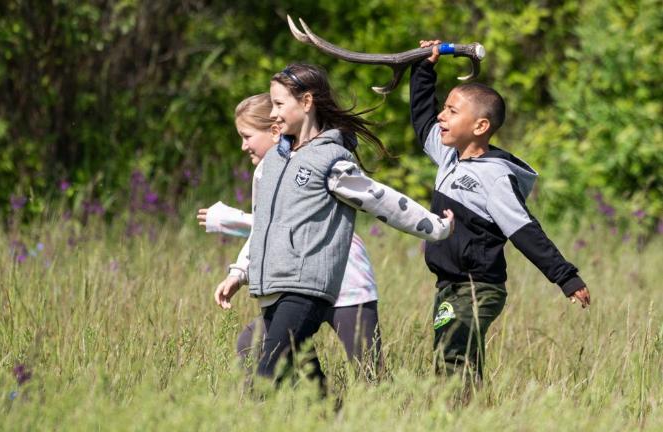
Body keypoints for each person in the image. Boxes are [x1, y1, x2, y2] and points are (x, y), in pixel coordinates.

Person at [213, 63, 454, 388]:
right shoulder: (272, 164)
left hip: (321, 288)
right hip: (278, 289)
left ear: (307, 103)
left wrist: (437, 227)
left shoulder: (331, 162)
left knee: (359, 376)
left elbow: (384, 202)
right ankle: (330, 416)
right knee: (275, 365)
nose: (272, 113)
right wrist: (239, 273)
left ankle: (386, 427)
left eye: (279, 104)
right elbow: (264, 227)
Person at [410, 40, 591, 385]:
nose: (440, 116)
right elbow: (421, 119)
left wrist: (565, 277)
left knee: (452, 356)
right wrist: (424, 68)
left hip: (478, 287)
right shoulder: (450, 156)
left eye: (451, 111)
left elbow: (525, 231)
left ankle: (456, 422)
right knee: (455, 360)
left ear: (480, 126)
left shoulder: (494, 178)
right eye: (444, 108)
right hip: (449, 285)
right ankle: (475, 420)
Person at [198, 93, 383, 373]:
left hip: (346, 278)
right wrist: (238, 272)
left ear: (274, 131)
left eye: (247, 136)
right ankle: (322, 411)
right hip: (300, 283)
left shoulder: (308, 162)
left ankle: (388, 411)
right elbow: (266, 231)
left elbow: (286, 224)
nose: (242, 145)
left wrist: (230, 220)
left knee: (368, 369)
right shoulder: (266, 170)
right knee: (259, 345)